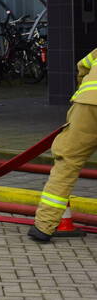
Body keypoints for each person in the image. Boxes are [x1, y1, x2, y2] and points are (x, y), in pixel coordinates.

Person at [28, 48, 97, 242]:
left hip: (85, 107)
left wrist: (85, 95)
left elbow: (82, 66)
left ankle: (43, 227)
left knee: (67, 164)